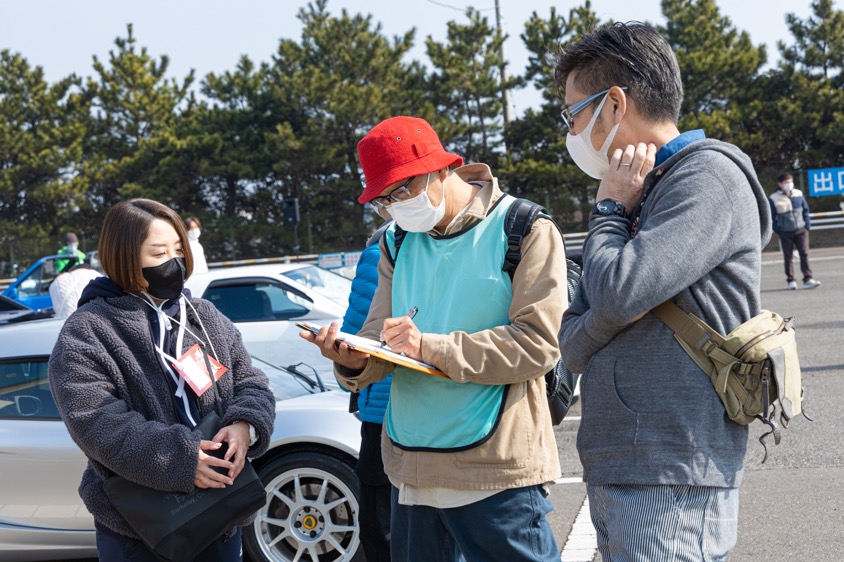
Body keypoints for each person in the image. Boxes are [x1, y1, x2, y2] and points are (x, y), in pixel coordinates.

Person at [301, 116, 566, 562]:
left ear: (441, 169)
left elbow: (535, 345)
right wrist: (350, 359)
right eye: (383, 200)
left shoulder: (523, 227)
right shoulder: (397, 243)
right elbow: (377, 339)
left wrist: (429, 346)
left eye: (401, 191)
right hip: (412, 467)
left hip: (495, 470)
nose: (393, 207)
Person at [555, 22, 772, 562]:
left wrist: (607, 210)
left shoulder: (705, 179)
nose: (572, 129)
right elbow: (578, 323)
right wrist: (598, 320)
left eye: (574, 113)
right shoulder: (643, 189)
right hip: (627, 461)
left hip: (670, 467)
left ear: (614, 105)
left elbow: (618, 292)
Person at [48, 198, 275, 561]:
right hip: (140, 528)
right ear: (123, 256)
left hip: (221, 512)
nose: (174, 262)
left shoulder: (204, 316)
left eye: (178, 250)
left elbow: (252, 382)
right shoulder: (88, 330)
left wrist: (245, 425)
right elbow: (96, 422)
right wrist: (182, 459)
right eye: (158, 253)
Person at [341, 217, 394, 562]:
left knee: (381, 530)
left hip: (382, 416)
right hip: (453, 410)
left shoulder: (379, 250)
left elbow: (353, 335)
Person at [769, 172, 820, 290]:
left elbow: (805, 210)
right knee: (788, 256)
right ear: (780, 183)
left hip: (801, 230)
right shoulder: (773, 198)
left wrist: (807, 226)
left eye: (790, 182)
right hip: (785, 232)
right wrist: (779, 230)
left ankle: (808, 278)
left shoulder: (798, 194)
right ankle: (791, 280)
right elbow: (771, 217)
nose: (789, 184)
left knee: (804, 254)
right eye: (786, 182)